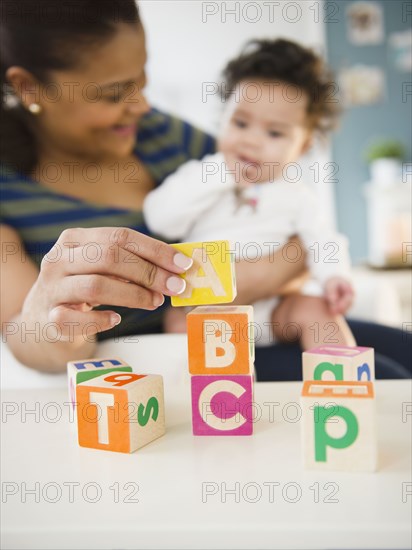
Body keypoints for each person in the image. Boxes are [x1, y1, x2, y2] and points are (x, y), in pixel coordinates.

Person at [0, 1, 410, 378]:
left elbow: (294, 232)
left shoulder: (160, 134)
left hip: (271, 312)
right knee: (389, 382)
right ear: (29, 87)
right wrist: (51, 323)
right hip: (181, 351)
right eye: (114, 93)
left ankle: (342, 380)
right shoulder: (9, 193)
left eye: (142, 79)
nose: (142, 105)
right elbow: (27, 336)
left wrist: (316, 272)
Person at [143, 39, 356, 349]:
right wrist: (218, 175)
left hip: (273, 311)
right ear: (223, 119)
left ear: (304, 145)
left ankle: (340, 390)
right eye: (240, 123)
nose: (252, 142)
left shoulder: (297, 195)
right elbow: (161, 219)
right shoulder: (203, 173)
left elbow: (324, 240)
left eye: (274, 133)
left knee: (318, 312)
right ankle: (215, 393)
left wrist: (336, 278)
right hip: (206, 314)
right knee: (176, 323)